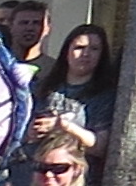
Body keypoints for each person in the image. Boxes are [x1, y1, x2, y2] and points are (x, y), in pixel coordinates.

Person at [31, 23, 119, 158]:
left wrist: (64, 127)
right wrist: (30, 132)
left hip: (78, 167)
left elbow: (100, 147)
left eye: (94, 49)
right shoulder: (42, 87)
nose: (86, 54)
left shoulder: (106, 95)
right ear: (66, 52)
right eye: (79, 48)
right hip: (33, 163)